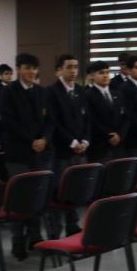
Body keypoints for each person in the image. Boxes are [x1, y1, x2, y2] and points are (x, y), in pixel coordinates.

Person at [0, 53, 53, 259]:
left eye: (34, 68)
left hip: (40, 153)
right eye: (27, 68)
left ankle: (35, 237)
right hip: (18, 152)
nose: (31, 72)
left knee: (37, 196)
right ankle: (17, 240)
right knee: (19, 197)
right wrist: (31, 140)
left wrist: (44, 139)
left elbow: (50, 120)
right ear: (19, 69)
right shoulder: (9, 92)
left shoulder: (41, 91)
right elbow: (9, 123)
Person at [47, 54, 90, 237]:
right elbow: (54, 122)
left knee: (74, 189)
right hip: (61, 150)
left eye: (75, 67)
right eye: (69, 67)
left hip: (79, 150)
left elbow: (88, 119)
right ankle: (54, 233)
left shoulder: (81, 90)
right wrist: (71, 141)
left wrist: (85, 140)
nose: (73, 71)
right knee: (57, 192)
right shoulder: (51, 91)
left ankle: (72, 226)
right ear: (59, 70)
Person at [85, 60, 127, 163]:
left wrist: (120, 135)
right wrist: (109, 135)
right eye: (101, 73)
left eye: (107, 72)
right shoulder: (87, 95)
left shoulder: (117, 94)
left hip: (118, 146)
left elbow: (125, 117)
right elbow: (91, 120)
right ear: (92, 75)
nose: (105, 76)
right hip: (99, 146)